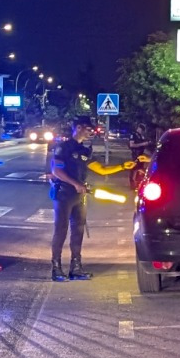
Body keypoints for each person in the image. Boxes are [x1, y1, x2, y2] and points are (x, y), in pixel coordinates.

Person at [48, 117, 133, 281]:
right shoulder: (63, 147)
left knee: (78, 231)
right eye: (88, 129)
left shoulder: (84, 150)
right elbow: (56, 171)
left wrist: (123, 166)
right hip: (64, 194)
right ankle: (56, 268)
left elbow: (101, 169)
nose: (90, 132)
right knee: (61, 230)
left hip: (80, 195)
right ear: (78, 128)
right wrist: (75, 184)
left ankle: (76, 267)